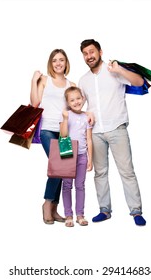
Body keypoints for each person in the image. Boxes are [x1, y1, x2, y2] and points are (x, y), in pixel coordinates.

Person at [78, 39, 146, 226]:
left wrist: (120, 70)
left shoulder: (114, 71)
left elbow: (140, 82)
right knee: (100, 173)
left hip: (117, 128)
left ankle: (136, 211)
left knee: (127, 171)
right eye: (85, 53)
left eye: (91, 52)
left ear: (100, 51)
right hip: (96, 133)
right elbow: (78, 104)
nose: (89, 56)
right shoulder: (83, 80)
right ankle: (104, 210)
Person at [30, 49, 76, 224]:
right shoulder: (44, 80)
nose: (58, 63)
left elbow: (73, 108)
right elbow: (35, 103)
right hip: (47, 129)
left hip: (64, 130)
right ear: (51, 63)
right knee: (59, 166)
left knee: (63, 170)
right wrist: (33, 81)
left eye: (62, 60)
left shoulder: (71, 84)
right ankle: (47, 204)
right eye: (55, 60)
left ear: (66, 63)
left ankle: (54, 208)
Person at [60, 86, 93, 227]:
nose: (76, 102)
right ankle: (68, 215)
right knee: (67, 185)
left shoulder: (87, 117)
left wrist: (90, 158)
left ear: (83, 98)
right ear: (68, 102)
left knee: (80, 185)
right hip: (67, 153)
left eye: (78, 98)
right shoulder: (66, 115)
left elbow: (89, 139)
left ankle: (80, 214)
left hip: (81, 155)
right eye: (72, 100)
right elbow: (63, 135)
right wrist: (66, 119)